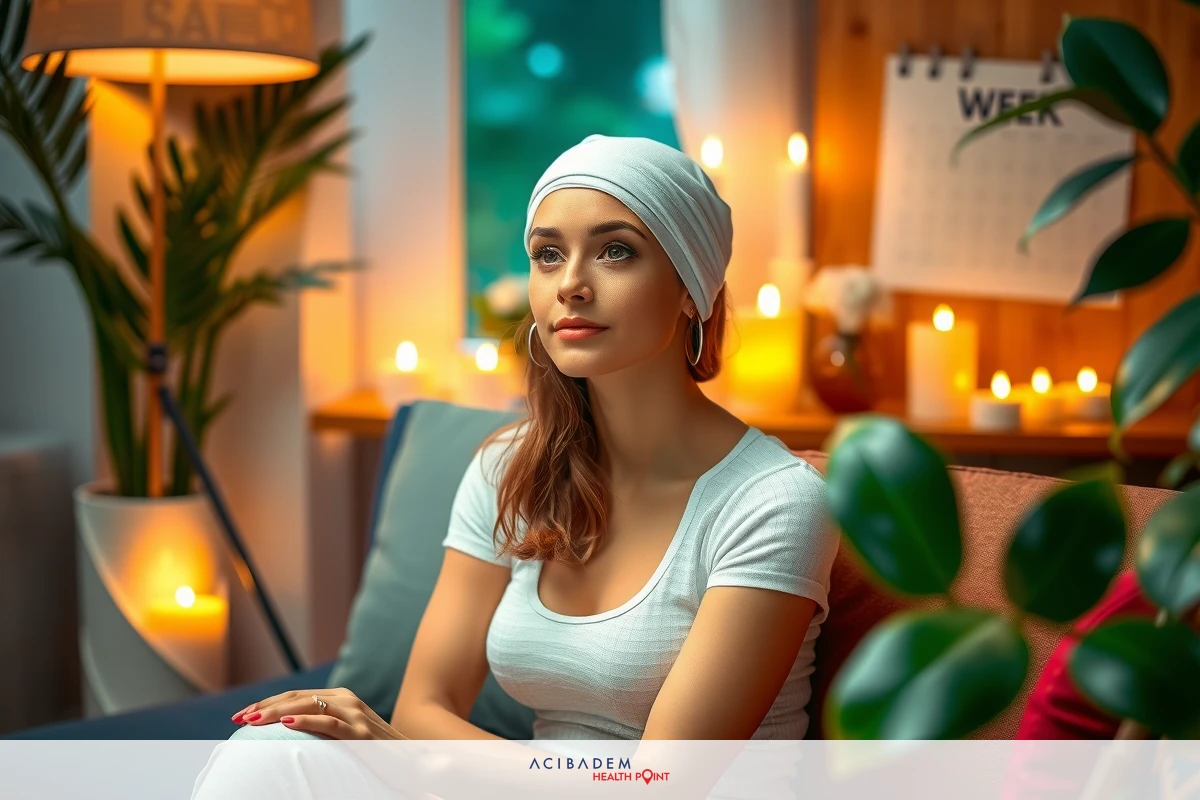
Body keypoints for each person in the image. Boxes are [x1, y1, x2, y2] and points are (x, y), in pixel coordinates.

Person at [191, 134, 840, 798]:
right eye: (548, 255)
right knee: (274, 748)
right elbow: (422, 706)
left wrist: (410, 755)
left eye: (617, 251)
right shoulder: (509, 470)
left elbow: (659, 780)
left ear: (689, 288)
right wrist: (406, 748)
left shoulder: (775, 501)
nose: (572, 285)